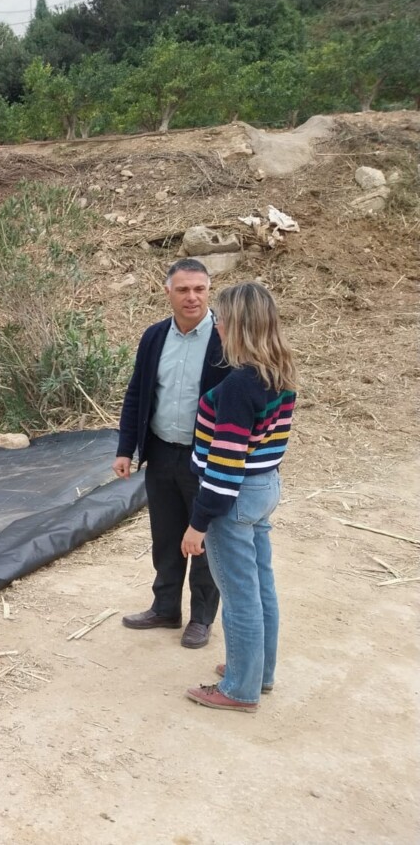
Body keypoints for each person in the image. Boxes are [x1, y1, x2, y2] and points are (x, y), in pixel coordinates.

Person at [181, 281, 296, 712]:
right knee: (261, 585)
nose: (218, 326)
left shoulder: (237, 386)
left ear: (239, 326)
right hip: (265, 486)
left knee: (238, 594)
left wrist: (198, 523)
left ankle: (238, 689)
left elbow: (225, 465)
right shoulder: (279, 372)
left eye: (223, 319)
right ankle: (258, 672)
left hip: (234, 495)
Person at [113, 258, 230, 649]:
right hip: (162, 451)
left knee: (204, 540)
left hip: (206, 457)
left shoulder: (226, 338)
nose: (191, 297)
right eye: (183, 289)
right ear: (168, 292)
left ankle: (201, 618)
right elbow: (137, 393)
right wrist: (126, 448)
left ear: (209, 291)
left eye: (199, 289)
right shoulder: (154, 336)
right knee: (165, 536)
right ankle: (165, 608)